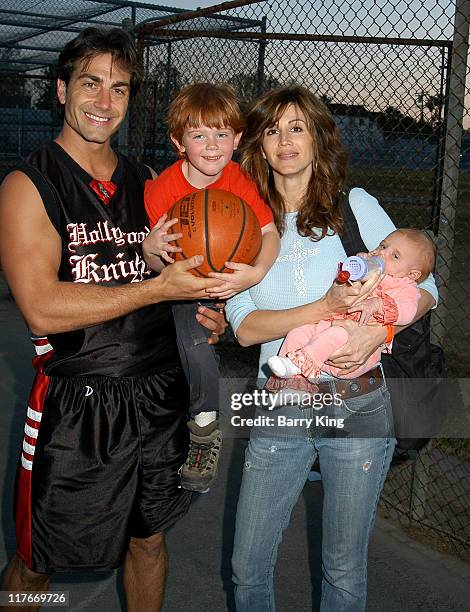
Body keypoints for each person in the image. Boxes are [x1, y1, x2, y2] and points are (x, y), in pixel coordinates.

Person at [0, 28, 226, 612]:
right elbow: (42, 305)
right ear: (60, 90)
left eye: (119, 89)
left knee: (148, 541)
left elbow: (184, 274)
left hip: (157, 393)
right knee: (37, 560)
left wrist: (203, 311)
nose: (105, 102)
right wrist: (153, 287)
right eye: (91, 84)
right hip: (77, 403)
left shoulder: (148, 182)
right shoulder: (29, 184)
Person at [225, 86, 438, 611]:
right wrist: (323, 308)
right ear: (258, 145)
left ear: (319, 138)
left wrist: (380, 330)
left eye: (297, 127)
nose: (284, 140)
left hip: (358, 404)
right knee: (247, 566)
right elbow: (246, 327)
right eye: (272, 129)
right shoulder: (243, 220)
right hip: (280, 402)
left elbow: (425, 286)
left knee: (343, 569)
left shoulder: (356, 205)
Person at [143, 82, 280, 493]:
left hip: (234, 277)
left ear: (238, 139)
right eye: (199, 135)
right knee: (190, 335)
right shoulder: (162, 190)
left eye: (222, 134)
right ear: (178, 142)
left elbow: (270, 235)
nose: (212, 145)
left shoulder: (238, 180)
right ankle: (204, 423)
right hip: (184, 284)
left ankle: (211, 428)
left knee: (210, 332)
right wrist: (149, 248)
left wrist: (252, 275)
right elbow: (155, 265)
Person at [267, 228, 437, 386]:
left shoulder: (406, 287)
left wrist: (378, 304)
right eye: (383, 245)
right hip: (328, 333)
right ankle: (292, 386)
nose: (382, 253)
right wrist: (353, 270)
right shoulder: (369, 267)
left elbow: (408, 312)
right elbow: (340, 283)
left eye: (395, 256)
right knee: (298, 332)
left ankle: (301, 363)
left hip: (350, 354)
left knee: (337, 334)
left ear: (412, 274)